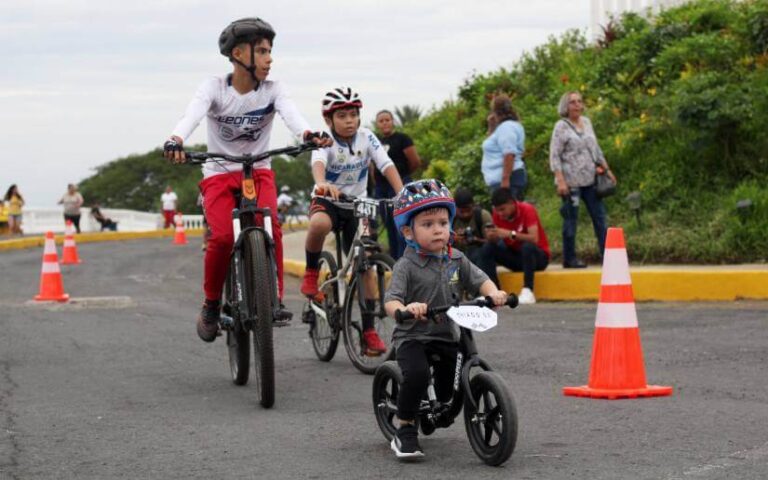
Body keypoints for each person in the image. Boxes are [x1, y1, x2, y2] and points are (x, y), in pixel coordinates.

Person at [163, 17, 331, 342]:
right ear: (239, 53)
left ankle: (275, 298)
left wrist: (308, 134)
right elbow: (191, 116)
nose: (270, 59)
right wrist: (176, 140)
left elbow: (292, 114)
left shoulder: (273, 89)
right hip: (219, 172)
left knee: (272, 227)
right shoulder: (214, 87)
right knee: (223, 239)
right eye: (263, 51)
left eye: (271, 51)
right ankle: (211, 304)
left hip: (259, 171)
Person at [383, 179, 508, 459]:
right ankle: (404, 429)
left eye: (442, 222)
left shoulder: (456, 258)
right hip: (413, 336)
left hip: (446, 335)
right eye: (427, 224)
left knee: (447, 386)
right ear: (408, 231)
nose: (438, 229)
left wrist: (494, 293)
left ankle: (444, 408)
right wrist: (406, 307)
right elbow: (390, 301)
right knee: (415, 376)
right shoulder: (406, 265)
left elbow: (481, 280)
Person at [300, 87, 403, 356]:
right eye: (342, 115)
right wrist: (322, 183)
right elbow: (318, 164)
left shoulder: (367, 137)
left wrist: (401, 193)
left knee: (365, 264)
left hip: (359, 205)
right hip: (328, 199)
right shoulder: (325, 141)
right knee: (319, 224)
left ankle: (368, 332)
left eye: (354, 115)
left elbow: (386, 164)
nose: (349, 120)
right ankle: (311, 273)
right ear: (328, 121)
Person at [549, 91, 617, 268]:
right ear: (566, 106)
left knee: (600, 218)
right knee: (570, 221)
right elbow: (555, 155)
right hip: (571, 183)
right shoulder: (561, 126)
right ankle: (569, 258)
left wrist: (607, 169)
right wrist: (561, 180)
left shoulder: (586, 122)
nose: (577, 105)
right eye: (573, 102)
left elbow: (596, 149)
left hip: (591, 180)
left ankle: (607, 256)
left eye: (579, 101)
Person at [485, 188, 550, 305]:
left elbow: (534, 238)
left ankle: (528, 291)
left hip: (538, 258)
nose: (500, 213)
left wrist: (510, 234)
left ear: (512, 203)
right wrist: (491, 236)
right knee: (488, 248)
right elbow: (495, 239)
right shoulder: (496, 214)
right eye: (497, 210)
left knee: (527, 247)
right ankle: (494, 291)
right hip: (517, 258)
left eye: (502, 209)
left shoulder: (527, 209)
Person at [372, 110, 422, 259]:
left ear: (392, 121)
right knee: (389, 227)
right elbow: (372, 167)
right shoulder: (375, 142)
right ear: (377, 124)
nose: (385, 123)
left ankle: (406, 260)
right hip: (382, 188)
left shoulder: (402, 139)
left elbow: (415, 162)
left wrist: (402, 177)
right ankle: (394, 262)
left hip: (401, 185)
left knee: (402, 225)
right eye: (381, 121)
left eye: (387, 119)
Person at [481, 94, 526, 200]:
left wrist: (505, 182)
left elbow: (509, 153)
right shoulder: (505, 127)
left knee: (507, 214)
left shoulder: (506, 128)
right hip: (502, 180)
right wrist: (491, 126)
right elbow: (494, 144)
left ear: (494, 110)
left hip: (506, 181)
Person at [451, 187, 498, 284]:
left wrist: (476, 240)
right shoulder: (449, 219)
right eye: (461, 212)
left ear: (474, 205)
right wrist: (452, 238)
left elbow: (492, 243)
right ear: (455, 208)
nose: (465, 215)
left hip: (480, 254)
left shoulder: (482, 215)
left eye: (468, 210)